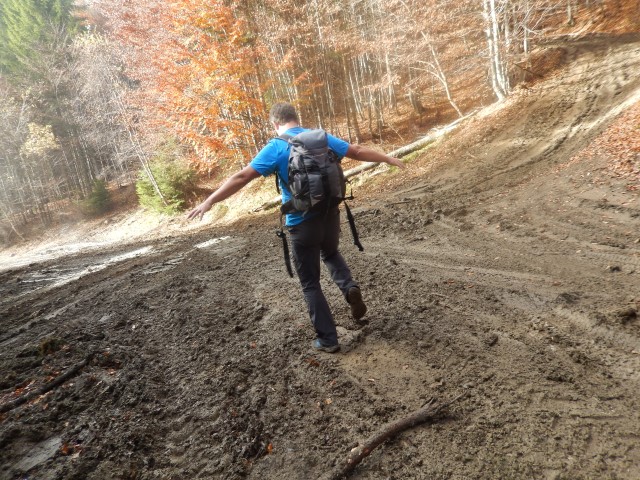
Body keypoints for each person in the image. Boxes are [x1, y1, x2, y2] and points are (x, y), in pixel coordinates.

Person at [187, 102, 404, 353]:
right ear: (296, 118)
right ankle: (349, 287)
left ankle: (328, 339)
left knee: (310, 283)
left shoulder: (276, 147)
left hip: (301, 223)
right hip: (329, 214)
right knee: (330, 252)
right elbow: (355, 150)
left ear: (275, 123)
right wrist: (387, 158)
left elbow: (242, 176)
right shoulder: (320, 137)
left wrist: (210, 200)